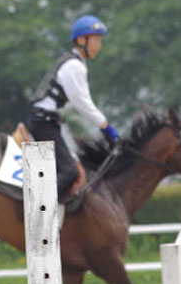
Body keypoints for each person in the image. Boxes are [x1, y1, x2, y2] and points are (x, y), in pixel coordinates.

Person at [28, 15, 119, 201]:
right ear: (81, 40)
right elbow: (82, 103)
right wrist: (105, 126)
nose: (99, 46)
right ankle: (37, 205)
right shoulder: (74, 66)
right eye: (96, 40)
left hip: (45, 122)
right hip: (44, 123)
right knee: (69, 172)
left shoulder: (75, 63)